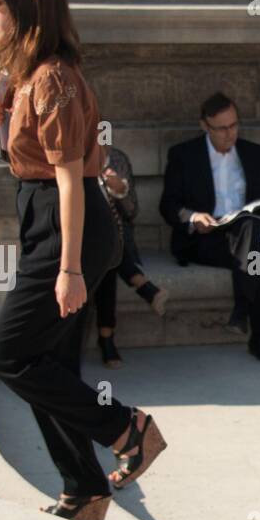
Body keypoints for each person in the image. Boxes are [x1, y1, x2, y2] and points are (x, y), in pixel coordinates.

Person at [0, 0, 167, 520]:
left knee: (7, 355)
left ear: (27, 7)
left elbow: (70, 178)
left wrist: (68, 269)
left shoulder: (54, 78)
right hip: (48, 220)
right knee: (49, 363)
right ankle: (84, 490)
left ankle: (127, 428)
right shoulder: (29, 74)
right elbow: (43, 157)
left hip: (69, 226)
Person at [159, 93, 260, 362]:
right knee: (257, 255)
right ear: (205, 126)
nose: (229, 133)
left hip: (246, 233)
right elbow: (168, 205)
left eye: (234, 125)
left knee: (252, 234)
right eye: (221, 128)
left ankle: (243, 311)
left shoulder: (253, 154)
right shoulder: (183, 155)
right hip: (206, 238)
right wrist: (192, 217)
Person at [93, 143, 169, 368]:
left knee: (108, 256)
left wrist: (118, 188)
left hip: (118, 237)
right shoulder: (72, 160)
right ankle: (145, 288)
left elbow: (131, 210)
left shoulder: (116, 159)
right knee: (106, 252)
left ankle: (107, 339)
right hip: (90, 241)